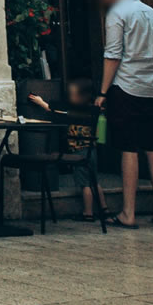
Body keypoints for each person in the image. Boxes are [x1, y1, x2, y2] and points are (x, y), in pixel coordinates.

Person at [94, 0, 153, 229]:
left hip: (126, 88)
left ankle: (128, 213)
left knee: (129, 149)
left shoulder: (117, 13)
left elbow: (113, 55)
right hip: (151, 89)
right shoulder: (152, 13)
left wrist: (102, 92)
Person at [26, 79, 108, 221]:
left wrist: (40, 101)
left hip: (79, 151)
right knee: (95, 181)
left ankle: (87, 213)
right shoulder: (92, 110)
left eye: (73, 95)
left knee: (85, 184)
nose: (70, 97)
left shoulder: (74, 111)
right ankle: (104, 209)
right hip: (91, 150)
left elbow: (54, 110)